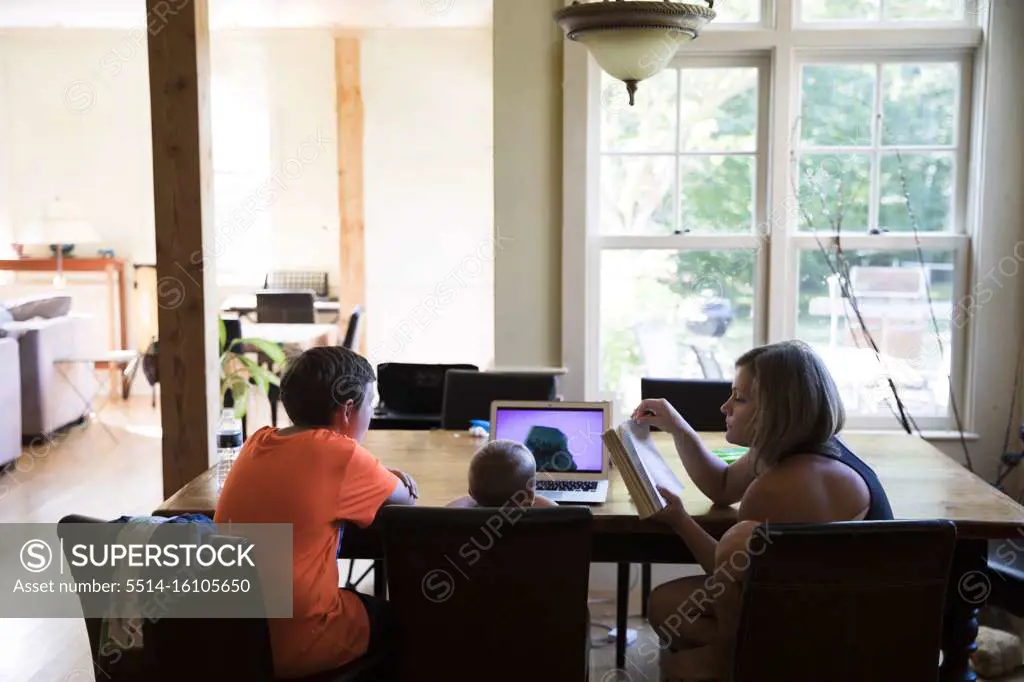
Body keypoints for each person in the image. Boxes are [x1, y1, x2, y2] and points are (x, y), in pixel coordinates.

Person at [633, 339, 893, 681]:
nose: (725, 407)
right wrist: (678, 427)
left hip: (841, 620)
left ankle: (747, 661)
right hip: (813, 596)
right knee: (665, 605)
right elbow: (723, 485)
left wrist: (680, 521)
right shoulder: (792, 449)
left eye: (739, 398)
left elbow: (725, 567)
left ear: (776, 411)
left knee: (679, 659)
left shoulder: (783, 487)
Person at [214, 346, 418, 680]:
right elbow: (405, 500)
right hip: (302, 640)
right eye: (371, 403)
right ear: (348, 410)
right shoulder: (340, 453)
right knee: (403, 620)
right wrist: (388, 477)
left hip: (235, 639)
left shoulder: (258, 441)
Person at [447, 439, 558, 508]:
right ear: (529, 497)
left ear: (470, 492)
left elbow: (451, 508)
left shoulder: (460, 521)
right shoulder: (544, 522)